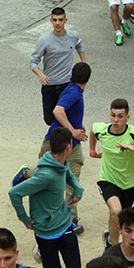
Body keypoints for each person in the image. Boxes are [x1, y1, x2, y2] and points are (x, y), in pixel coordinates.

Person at [9, 127, 83, 268]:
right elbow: (14, 193)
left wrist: (77, 189)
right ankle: (40, 249)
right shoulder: (45, 176)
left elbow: (66, 171)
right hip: (46, 232)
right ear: (68, 147)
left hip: (65, 225)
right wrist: (25, 219)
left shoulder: (61, 162)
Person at [89, 98, 134, 249]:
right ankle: (113, 249)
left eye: (120, 116)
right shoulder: (101, 129)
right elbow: (93, 130)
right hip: (108, 179)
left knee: (117, 216)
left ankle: (109, 238)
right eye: (113, 115)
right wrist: (92, 151)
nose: (116, 120)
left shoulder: (133, 133)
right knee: (116, 211)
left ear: (127, 118)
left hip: (129, 182)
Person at [37, 61, 90, 233]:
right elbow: (58, 111)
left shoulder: (73, 90)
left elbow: (69, 113)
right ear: (87, 79)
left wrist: (77, 127)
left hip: (71, 144)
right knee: (46, 179)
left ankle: (70, 220)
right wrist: (73, 130)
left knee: (72, 180)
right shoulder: (74, 92)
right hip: (57, 143)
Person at [30, 7, 86, 125]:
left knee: (66, 118)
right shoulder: (45, 40)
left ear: (65, 20)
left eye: (60, 20)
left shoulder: (73, 36)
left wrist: (83, 62)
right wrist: (41, 74)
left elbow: (79, 45)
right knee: (49, 120)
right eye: (55, 20)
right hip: (50, 85)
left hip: (68, 84)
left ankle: (67, 141)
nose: (57, 23)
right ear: (51, 21)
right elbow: (33, 61)